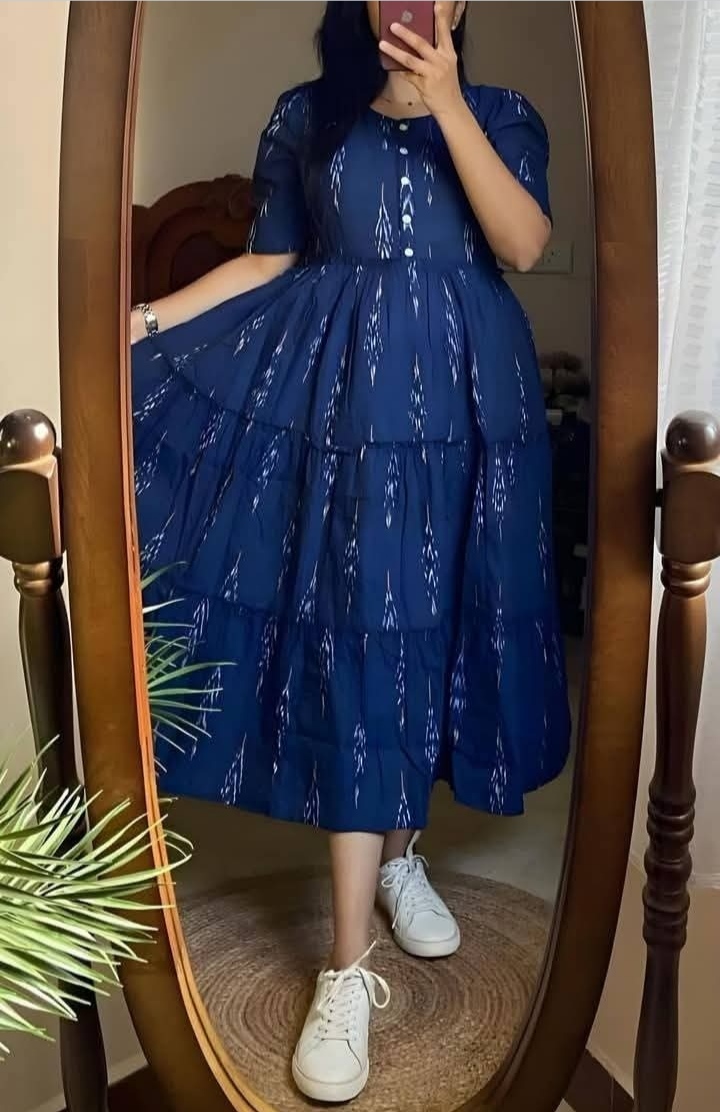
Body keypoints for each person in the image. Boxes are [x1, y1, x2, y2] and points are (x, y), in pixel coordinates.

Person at [131, 1, 570, 1101]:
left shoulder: (504, 114)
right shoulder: (308, 116)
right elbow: (267, 262)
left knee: (435, 627)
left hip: (474, 414)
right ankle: (345, 965)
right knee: (367, 637)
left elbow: (521, 244)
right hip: (350, 407)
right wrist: (145, 320)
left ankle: (401, 855)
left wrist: (448, 101)